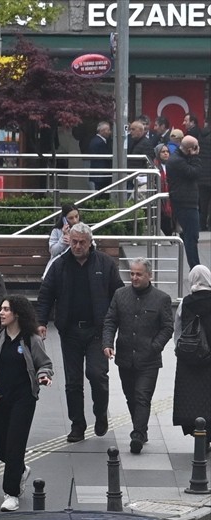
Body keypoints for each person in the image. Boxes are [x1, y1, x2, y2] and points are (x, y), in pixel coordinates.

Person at [35, 222, 123, 442]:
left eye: (82, 242)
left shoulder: (105, 263)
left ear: (90, 242)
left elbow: (119, 294)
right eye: (73, 242)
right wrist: (41, 321)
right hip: (70, 330)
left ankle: (100, 413)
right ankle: (77, 424)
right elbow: (46, 294)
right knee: (73, 382)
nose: (77, 246)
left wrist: (118, 322)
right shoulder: (60, 264)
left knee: (97, 375)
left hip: (97, 330)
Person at [0, 295, 54, 512]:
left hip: (24, 399)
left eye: (6, 309)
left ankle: (11, 493)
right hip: (0, 399)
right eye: (1, 309)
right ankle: (20, 469)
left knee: (15, 445)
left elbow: (44, 364)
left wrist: (43, 376)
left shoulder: (31, 339)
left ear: (17, 314)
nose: (1, 313)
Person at [102, 259, 174, 454]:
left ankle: (138, 435)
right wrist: (107, 344)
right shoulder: (120, 295)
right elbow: (110, 321)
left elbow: (168, 327)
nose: (134, 277)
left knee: (142, 396)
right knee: (131, 397)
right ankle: (142, 428)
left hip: (149, 359)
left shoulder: (161, 298)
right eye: (132, 274)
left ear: (149, 275)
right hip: (125, 357)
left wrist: (155, 346)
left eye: (139, 274)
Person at [173, 265, 211, 435]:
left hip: (189, 359)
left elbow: (178, 330)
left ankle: (196, 433)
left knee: (192, 398)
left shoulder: (185, 303)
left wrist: (179, 350)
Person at [169, 135, 202, 269]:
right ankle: (195, 268)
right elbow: (195, 173)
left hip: (186, 201)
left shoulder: (180, 158)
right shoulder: (177, 161)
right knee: (191, 237)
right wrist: (195, 157)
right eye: (196, 147)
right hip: (185, 203)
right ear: (190, 149)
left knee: (190, 236)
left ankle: (195, 267)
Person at [87, 121, 113, 192]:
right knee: (102, 193)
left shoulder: (96, 140)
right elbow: (106, 156)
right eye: (108, 130)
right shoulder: (99, 142)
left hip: (99, 174)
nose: (110, 132)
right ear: (102, 131)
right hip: (101, 174)